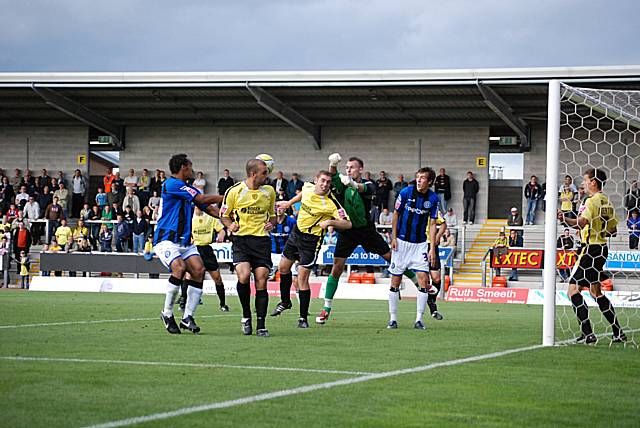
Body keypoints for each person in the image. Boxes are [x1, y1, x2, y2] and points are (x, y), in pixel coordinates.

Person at [282, 153, 421, 325]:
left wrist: (353, 184)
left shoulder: (368, 184)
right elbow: (332, 175)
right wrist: (333, 164)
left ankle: (419, 284)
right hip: (347, 232)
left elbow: (365, 189)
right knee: (337, 267)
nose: (348, 170)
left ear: (360, 169)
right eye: (346, 168)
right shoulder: (340, 184)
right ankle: (326, 308)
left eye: (352, 167)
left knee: (393, 260)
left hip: (366, 231)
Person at [271, 171, 352, 328]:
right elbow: (302, 194)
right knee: (283, 268)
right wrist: (289, 203)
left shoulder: (331, 203)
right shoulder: (308, 187)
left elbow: (348, 223)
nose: (325, 184)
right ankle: (286, 302)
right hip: (296, 234)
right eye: (322, 180)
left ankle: (303, 318)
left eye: (328, 182)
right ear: (316, 180)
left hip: (311, 241)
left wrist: (330, 222)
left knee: (302, 278)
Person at [156, 154, 223, 335]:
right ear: (183, 167)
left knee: (198, 270)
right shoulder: (172, 184)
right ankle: (167, 313)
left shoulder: (187, 188)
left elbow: (207, 208)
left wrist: (227, 219)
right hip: (166, 239)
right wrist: (225, 197)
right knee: (179, 268)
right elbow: (202, 200)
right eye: (190, 166)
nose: (192, 170)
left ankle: (187, 317)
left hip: (184, 241)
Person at [558, 168, 625, 344]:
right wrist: (597, 229)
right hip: (602, 249)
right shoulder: (607, 202)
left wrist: (565, 219)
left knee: (572, 290)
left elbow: (581, 223)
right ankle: (618, 332)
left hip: (590, 250)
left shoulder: (592, 201)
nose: (584, 183)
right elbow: (613, 231)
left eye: (586, 180)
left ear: (594, 182)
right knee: (596, 292)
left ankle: (588, 333)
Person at [220, 158, 276, 337]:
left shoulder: (269, 191)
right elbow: (224, 215)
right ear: (253, 174)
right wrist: (230, 226)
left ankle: (261, 324)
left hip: (261, 242)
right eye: (264, 173)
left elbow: (273, 216)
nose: (267, 176)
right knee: (243, 276)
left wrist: (271, 223)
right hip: (242, 241)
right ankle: (246, 316)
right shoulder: (234, 191)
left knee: (261, 278)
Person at [387, 167, 439, 330]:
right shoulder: (405, 193)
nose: (419, 180)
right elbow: (395, 215)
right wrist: (393, 237)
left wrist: (431, 247)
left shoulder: (433, 198)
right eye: (418, 177)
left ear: (429, 181)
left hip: (420, 245)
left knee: (423, 280)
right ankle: (393, 319)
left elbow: (432, 223)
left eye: (423, 178)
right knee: (395, 281)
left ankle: (419, 320)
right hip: (401, 243)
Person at [181, 206, 229, 312]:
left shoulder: (210, 217)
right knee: (189, 276)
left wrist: (221, 235)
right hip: (194, 250)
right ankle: (182, 302)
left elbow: (221, 230)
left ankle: (223, 304)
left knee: (217, 278)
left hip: (207, 249)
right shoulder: (190, 217)